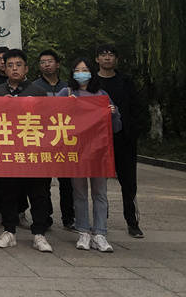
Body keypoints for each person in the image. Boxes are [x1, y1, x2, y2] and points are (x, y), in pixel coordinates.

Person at [0, 49, 53, 253]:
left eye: (18, 65)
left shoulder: (38, 92)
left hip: (34, 152)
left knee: (38, 193)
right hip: (8, 151)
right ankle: (9, 231)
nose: (14, 69)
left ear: (26, 68)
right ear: (4, 68)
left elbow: (48, 121)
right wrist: (2, 106)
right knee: (8, 192)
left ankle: (39, 233)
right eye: (10, 65)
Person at [59, 57, 122, 253]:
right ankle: (83, 232)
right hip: (77, 153)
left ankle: (100, 233)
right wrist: (64, 105)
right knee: (79, 193)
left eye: (85, 69)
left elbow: (116, 128)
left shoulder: (101, 94)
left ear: (91, 72)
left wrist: (113, 113)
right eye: (77, 70)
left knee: (100, 193)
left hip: (98, 153)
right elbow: (50, 116)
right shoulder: (67, 93)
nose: (81, 73)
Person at [96, 44, 144, 238]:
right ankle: (101, 220)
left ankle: (132, 222)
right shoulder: (92, 83)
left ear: (116, 59)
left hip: (123, 139)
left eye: (111, 55)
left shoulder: (126, 81)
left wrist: (132, 132)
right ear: (97, 59)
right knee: (99, 182)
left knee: (128, 181)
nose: (107, 58)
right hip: (99, 140)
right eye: (103, 54)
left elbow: (136, 107)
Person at [31, 49, 74, 230]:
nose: (46, 65)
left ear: (58, 64)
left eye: (50, 61)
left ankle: (69, 217)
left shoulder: (69, 87)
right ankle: (45, 217)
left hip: (65, 140)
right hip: (43, 141)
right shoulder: (33, 88)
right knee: (43, 184)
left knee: (67, 183)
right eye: (43, 62)